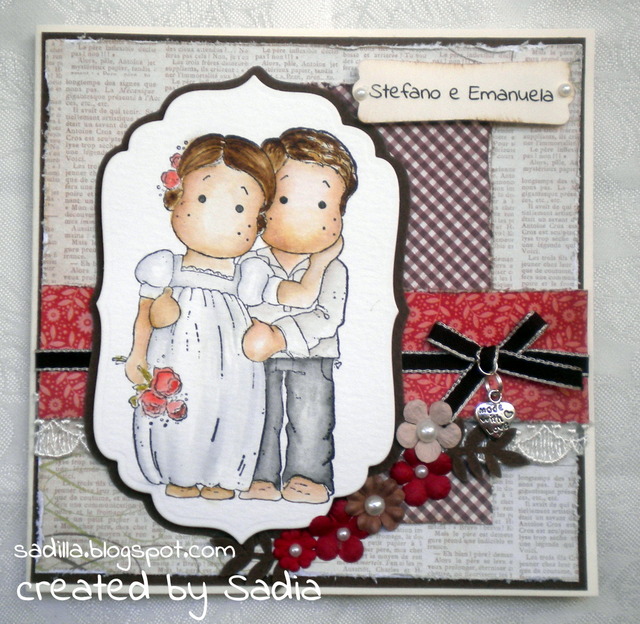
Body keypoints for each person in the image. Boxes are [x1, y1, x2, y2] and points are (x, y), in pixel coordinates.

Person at [124, 133, 276, 501]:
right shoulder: (165, 269)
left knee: (231, 402)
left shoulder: (247, 275)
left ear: (258, 220)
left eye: (239, 208)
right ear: (177, 199)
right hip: (177, 355)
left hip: (233, 359)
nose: (219, 217)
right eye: (204, 199)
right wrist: (137, 355)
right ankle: (180, 471)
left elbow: (264, 313)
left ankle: (222, 474)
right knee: (185, 403)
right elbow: (145, 313)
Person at [240, 127, 358, 504]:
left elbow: (326, 317)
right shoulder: (252, 263)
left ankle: (308, 475)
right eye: (286, 199)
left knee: (311, 417)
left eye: (323, 205)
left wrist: (282, 335)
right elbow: (246, 302)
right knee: (259, 414)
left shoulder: (334, 269)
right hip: (257, 357)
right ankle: (259, 475)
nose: (306, 216)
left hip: (313, 356)